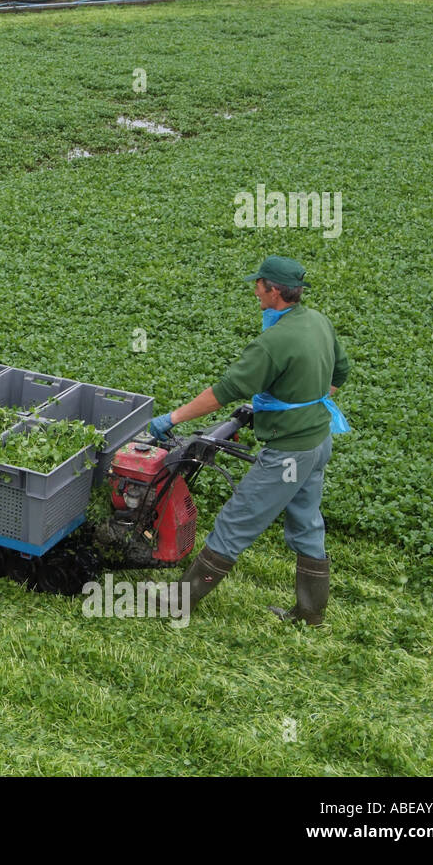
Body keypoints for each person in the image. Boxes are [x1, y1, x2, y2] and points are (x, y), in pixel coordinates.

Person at [147, 256, 350, 624]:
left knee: (234, 523)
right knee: (307, 525)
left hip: (289, 454)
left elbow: (225, 391)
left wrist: (171, 417)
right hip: (318, 442)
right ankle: (310, 615)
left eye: (258, 284)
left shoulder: (273, 342)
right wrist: (295, 403)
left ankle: (178, 604)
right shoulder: (317, 321)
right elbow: (340, 372)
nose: (254, 290)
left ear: (274, 291)